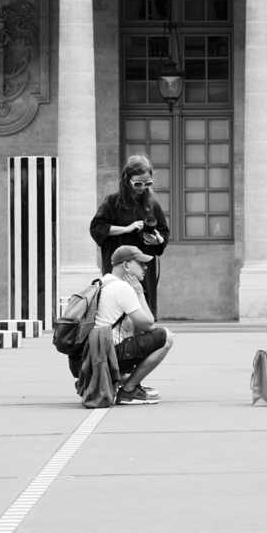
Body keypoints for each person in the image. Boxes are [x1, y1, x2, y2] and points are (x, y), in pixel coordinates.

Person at [90, 155, 170, 318]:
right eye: (138, 183)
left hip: (144, 267)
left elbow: (163, 232)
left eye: (147, 183)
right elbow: (97, 228)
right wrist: (126, 229)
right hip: (120, 265)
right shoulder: (112, 202)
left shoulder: (152, 204)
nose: (142, 188)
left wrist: (157, 239)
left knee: (143, 304)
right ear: (127, 180)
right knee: (118, 307)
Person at [93, 245, 175, 405]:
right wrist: (139, 292)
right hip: (109, 355)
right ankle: (129, 390)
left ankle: (121, 380)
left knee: (133, 327)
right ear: (126, 265)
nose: (146, 267)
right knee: (166, 337)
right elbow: (149, 323)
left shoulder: (101, 282)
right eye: (141, 263)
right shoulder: (123, 288)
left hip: (93, 356)